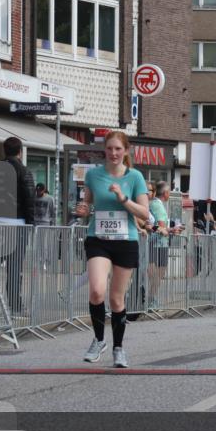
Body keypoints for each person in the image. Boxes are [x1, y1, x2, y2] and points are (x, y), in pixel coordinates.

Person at [73, 130, 149, 368]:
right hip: (99, 239)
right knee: (97, 291)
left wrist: (123, 198)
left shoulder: (135, 177)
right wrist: (83, 210)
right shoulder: (93, 175)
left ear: (125, 151)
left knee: (116, 299)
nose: (113, 153)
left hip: (126, 241)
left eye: (118, 149)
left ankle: (118, 348)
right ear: (104, 150)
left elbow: (145, 213)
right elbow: (87, 203)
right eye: (109, 148)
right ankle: (98, 340)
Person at [0, 136, 36, 314]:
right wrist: (31, 223)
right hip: (17, 223)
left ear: (4, 150)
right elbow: (30, 199)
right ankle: (15, 306)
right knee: (15, 267)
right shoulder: (23, 170)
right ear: (20, 152)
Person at [147, 181, 175, 309]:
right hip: (157, 243)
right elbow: (161, 227)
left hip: (159, 243)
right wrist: (172, 229)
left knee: (158, 275)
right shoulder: (157, 205)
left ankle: (151, 299)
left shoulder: (155, 204)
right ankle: (150, 300)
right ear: (166, 193)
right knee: (156, 275)